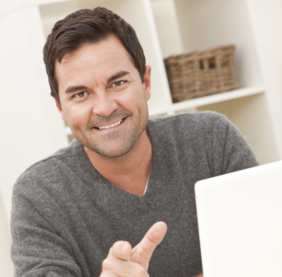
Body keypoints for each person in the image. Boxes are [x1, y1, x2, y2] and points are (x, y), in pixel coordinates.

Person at [11, 7, 258, 277]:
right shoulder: (38, 195)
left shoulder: (212, 139)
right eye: (80, 94)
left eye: (117, 83)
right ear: (60, 107)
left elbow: (267, 245)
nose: (104, 108)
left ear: (146, 82)